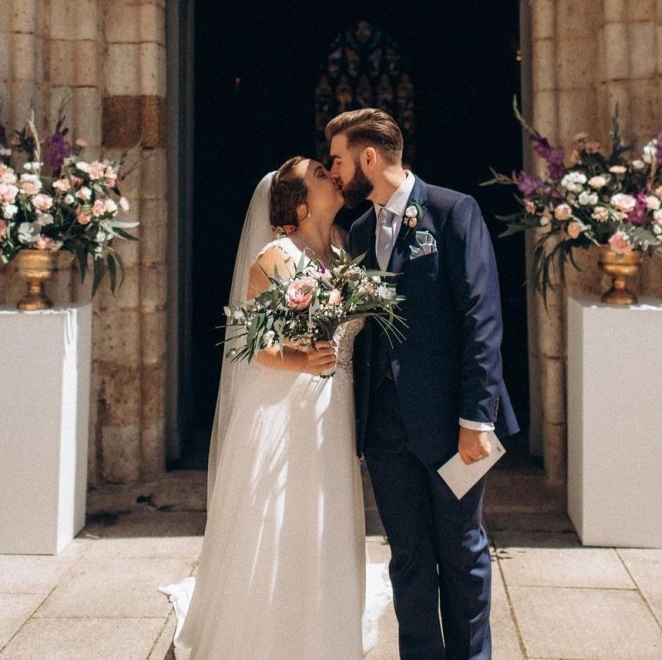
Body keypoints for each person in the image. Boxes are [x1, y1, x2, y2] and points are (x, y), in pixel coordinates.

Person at [163, 157, 389, 660]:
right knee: (283, 520)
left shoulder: (345, 250)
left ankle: (323, 634)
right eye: (319, 173)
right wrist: (303, 358)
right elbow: (254, 346)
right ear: (302, 201)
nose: (332, 174)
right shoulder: (275, 257)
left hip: (335, 410)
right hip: (286, 411)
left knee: (325, 521)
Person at [327, 108, 519, 660]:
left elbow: (482, 319)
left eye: (339, 160)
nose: (334, 173)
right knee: (407, 558)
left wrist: (476, 419)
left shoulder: (454, 211)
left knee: (462, 552)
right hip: (386, 431)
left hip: (455, 425)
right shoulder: (360, 232)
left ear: (369, 157)